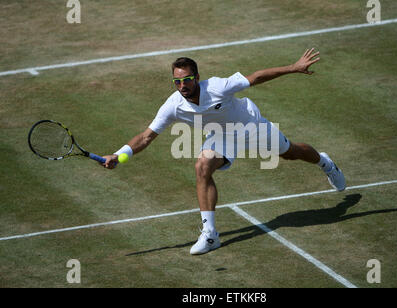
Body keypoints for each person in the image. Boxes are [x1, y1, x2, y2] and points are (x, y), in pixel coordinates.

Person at [102, 48, 346, 255]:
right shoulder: (173, 106)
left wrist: (293, 67)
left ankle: (325, 163)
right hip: (221, 137)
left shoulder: (217, 86)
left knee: (290, 152)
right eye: (177, 81)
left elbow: (256, 77)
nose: (182, 85)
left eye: (186, 79)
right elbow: (146, 137)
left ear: (197, 77)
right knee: (202, 167)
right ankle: (210, 235)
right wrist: (118, 154)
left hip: (250, 125)